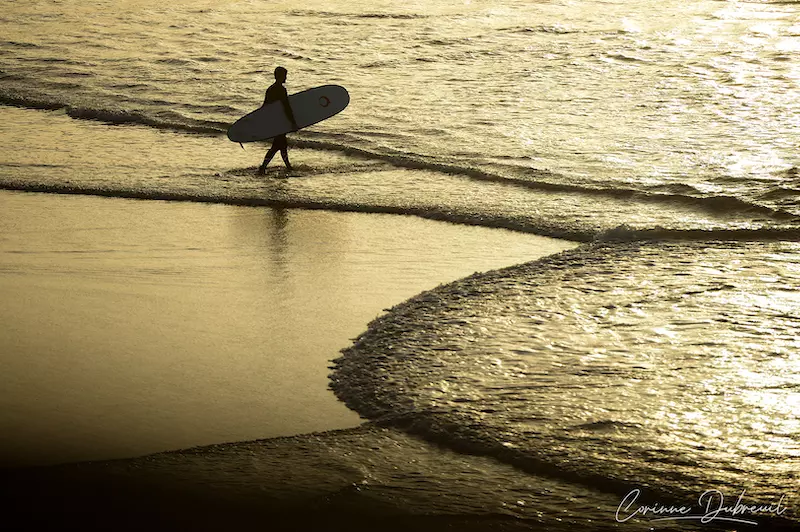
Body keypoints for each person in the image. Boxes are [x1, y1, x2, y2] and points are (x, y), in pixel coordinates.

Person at [258, 66, 299, 175]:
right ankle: (263, 167)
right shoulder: (281, 90)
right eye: (285, 76)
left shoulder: (270, 89)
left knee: (281, 145)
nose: (286, 78)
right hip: (280, 121)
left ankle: (287, 166)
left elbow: (265, 105)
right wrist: (293, 122)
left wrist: (262, 120)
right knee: (277, 145)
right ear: (280, 77)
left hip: (273, 121)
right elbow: (286, 107)